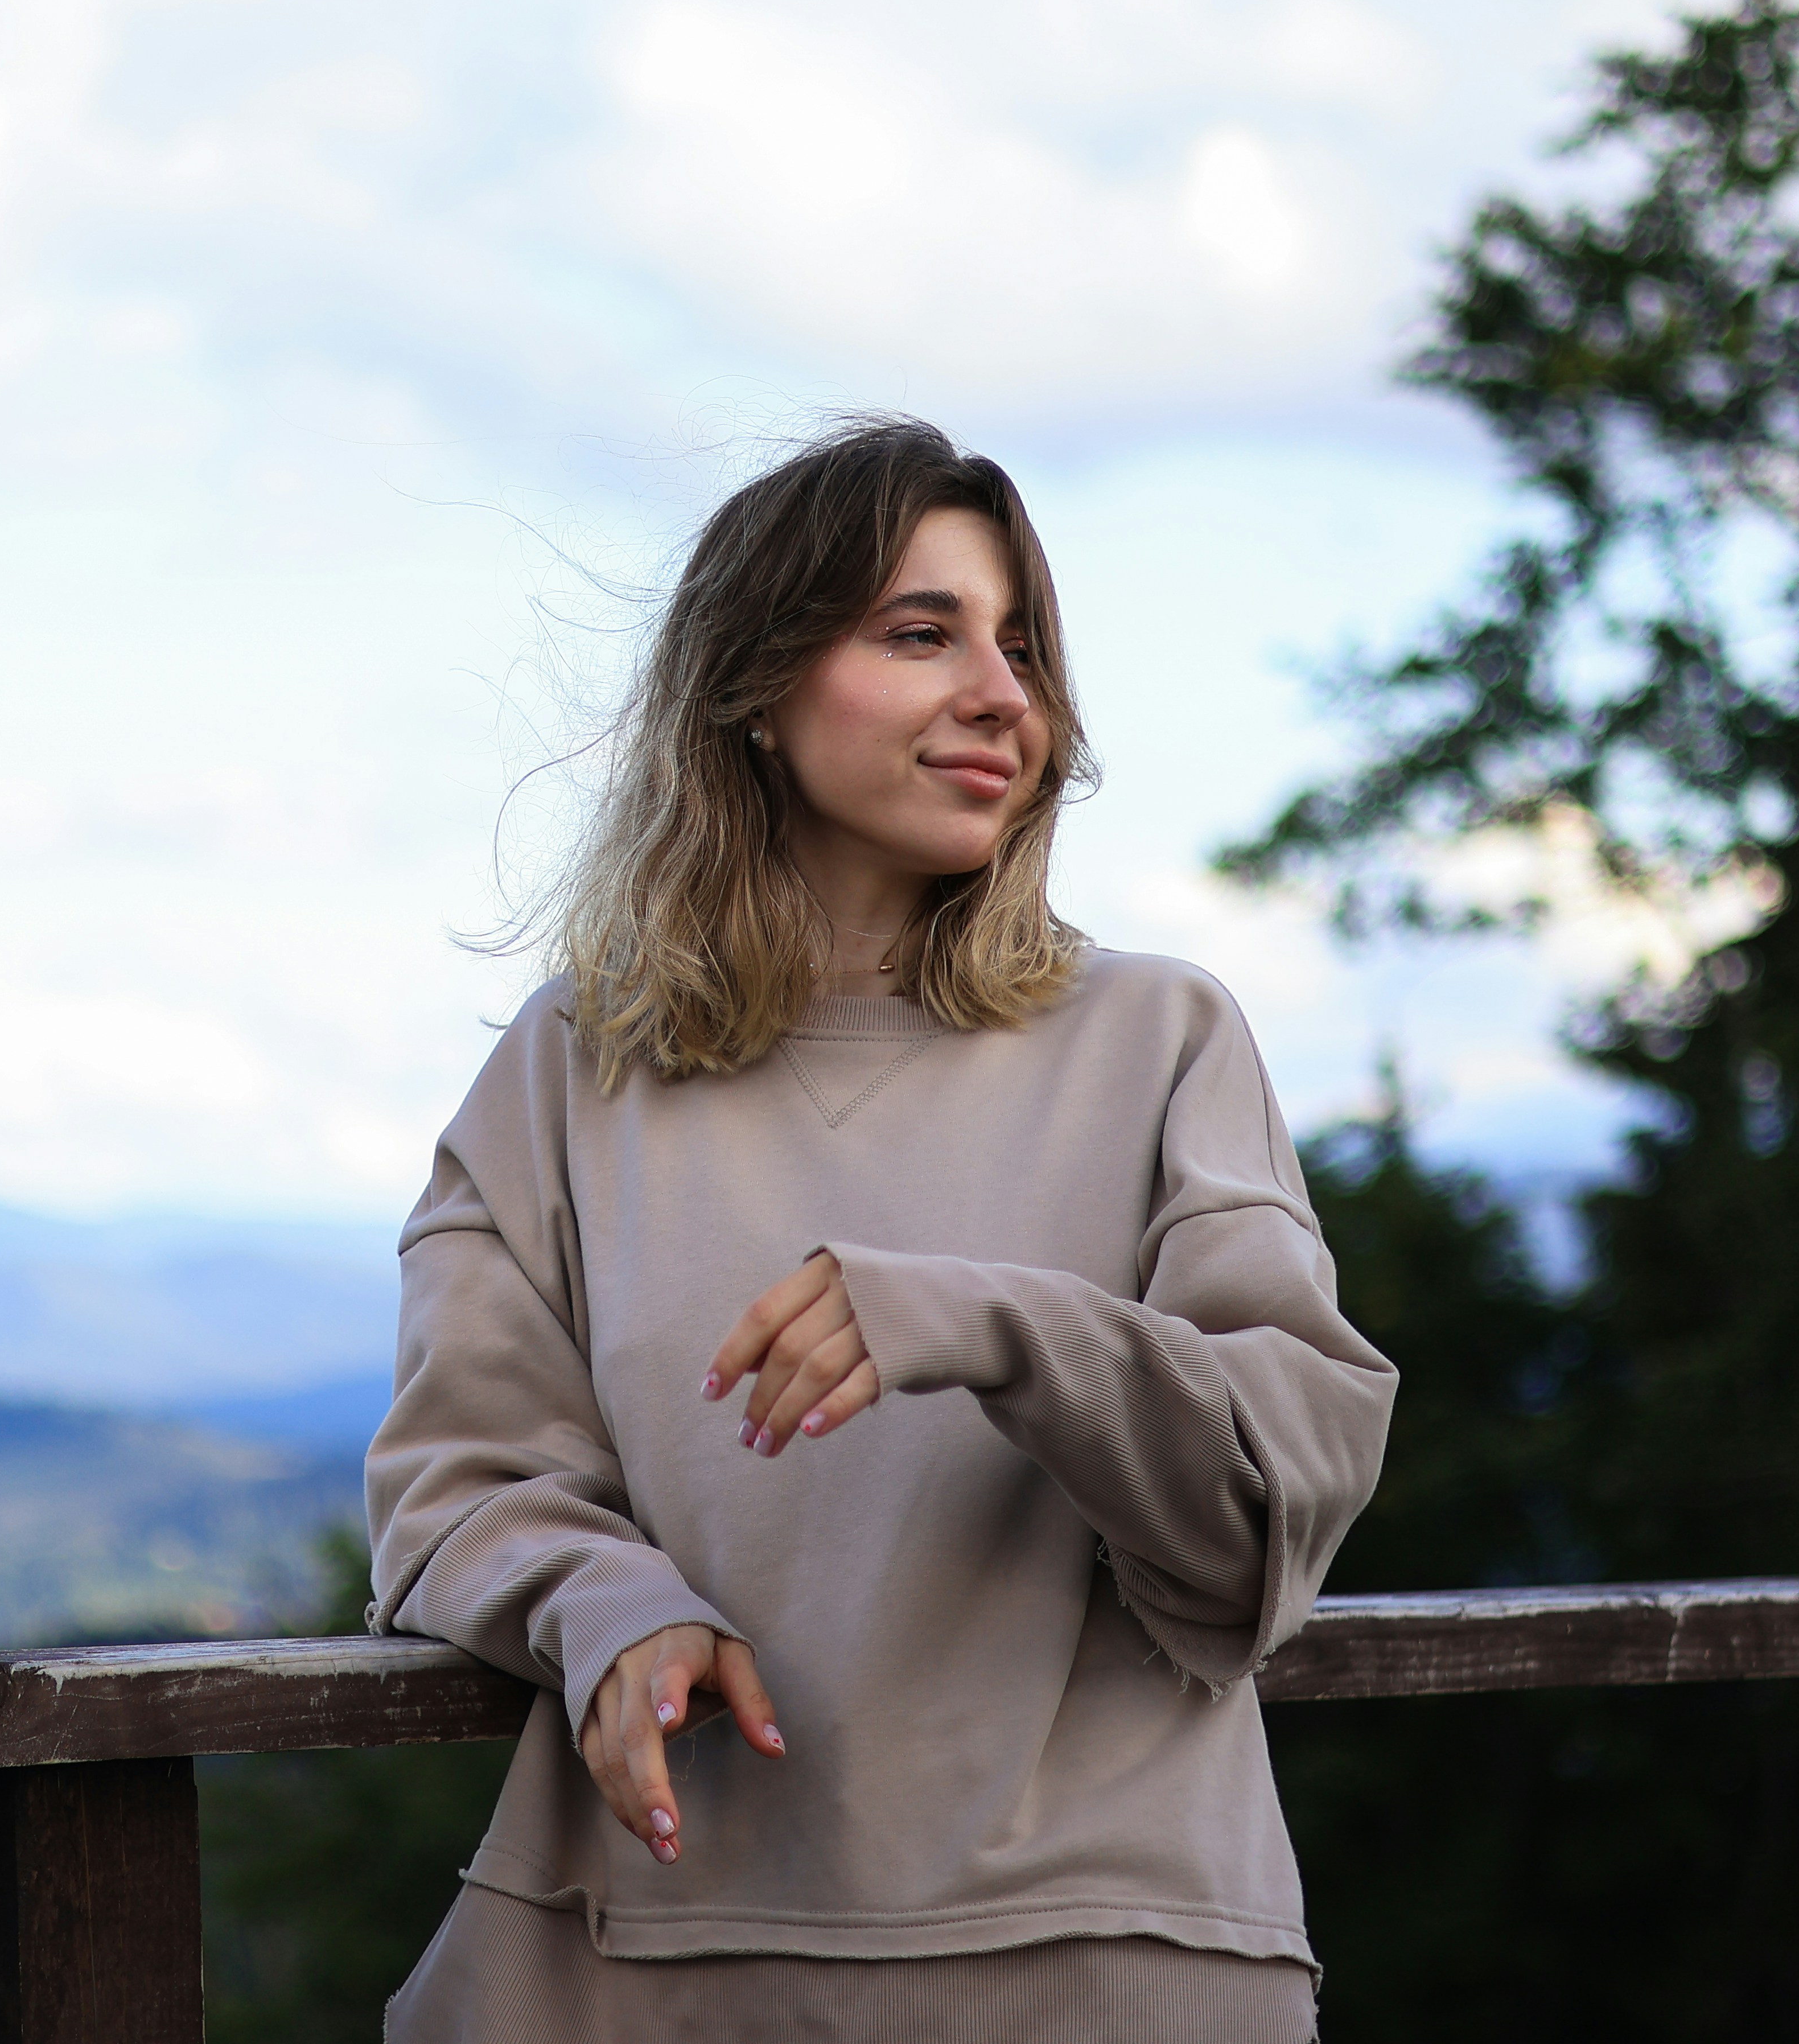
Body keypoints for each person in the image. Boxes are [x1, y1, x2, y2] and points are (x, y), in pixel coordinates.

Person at [364, 416, 1399, 2040]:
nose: (1004, 695)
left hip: (1107, 1964)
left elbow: (1275, 1503)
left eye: (1023, 647)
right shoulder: (572, 1067)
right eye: (923, 635)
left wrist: (999, 1326)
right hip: (658, 1964)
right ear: (756, 693)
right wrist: (612, 1606)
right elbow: (454, 1485)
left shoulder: (1162, 1040)